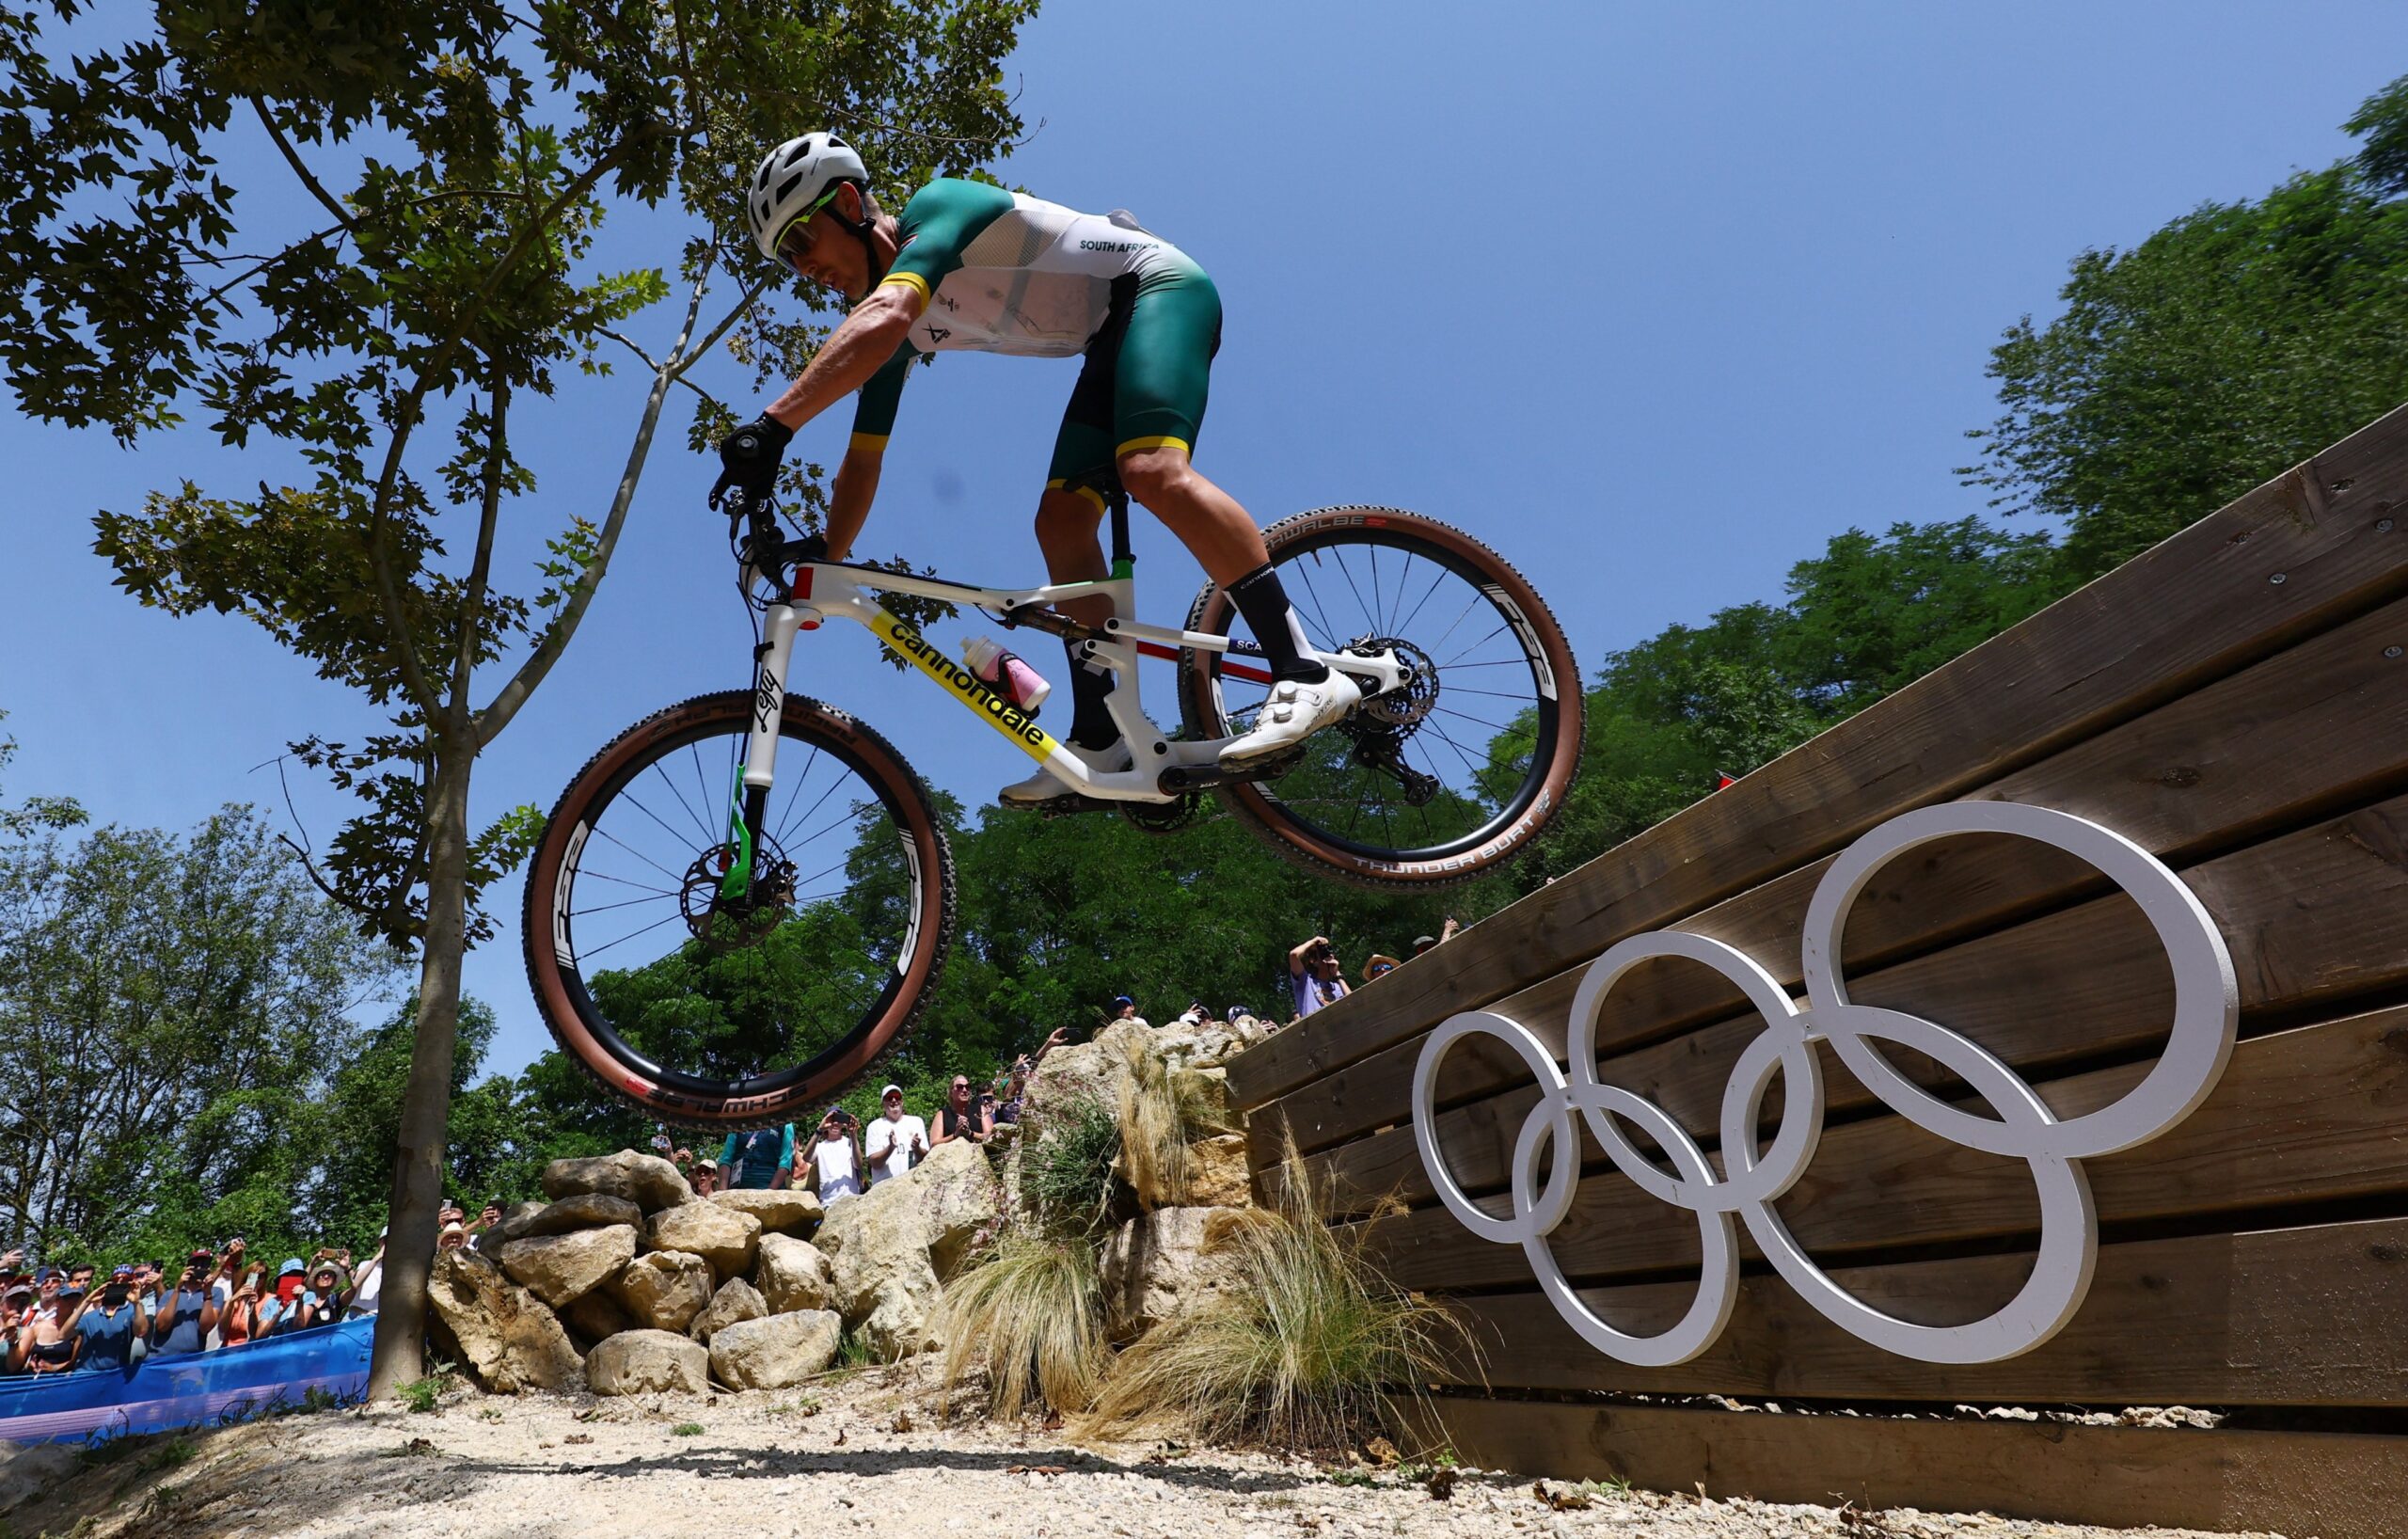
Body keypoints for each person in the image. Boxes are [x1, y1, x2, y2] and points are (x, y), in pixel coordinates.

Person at [718, 135, 1361, 804]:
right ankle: (1102, 734)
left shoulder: (937, 211)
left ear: (848, 201)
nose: (801, 267)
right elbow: (863, 457)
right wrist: (827, 562)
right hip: (1109, 339)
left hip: (1161, 287)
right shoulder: (883, 328)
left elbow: (892, 309)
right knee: (1059, 522)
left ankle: (1305, 668)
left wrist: (771, 429)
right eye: (785, 261)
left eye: (800, 241)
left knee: (1149, 471)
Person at [73, 1266, 149, 1372]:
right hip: (87, 1374)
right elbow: (63, 1335)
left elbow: (141, 1332)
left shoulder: (133, 1311)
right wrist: (87, 1301)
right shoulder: (91, 1315)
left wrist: (137, 1303)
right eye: (115, 1280)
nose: (119, 1283)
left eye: (126, 1280)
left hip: (115, 1375)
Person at [148, 1250, 220, 1358]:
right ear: (186, 1268)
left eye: (204, 1265)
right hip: (159, 1358)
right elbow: (162, 1326)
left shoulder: (215, 1292)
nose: (199, 1268)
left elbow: (205, 1327)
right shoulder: (169, 1294)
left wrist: (207, 1294)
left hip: (190, 1362)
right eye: (195, 1265)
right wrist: (177, 1289)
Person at [863, 1084, 927, 1185]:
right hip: (885, 1189)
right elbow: (874, 1163)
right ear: (883, 1104)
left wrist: (917, 1148)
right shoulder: (874, 1126)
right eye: (889, 1098)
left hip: (912, 1186)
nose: (894, 1100)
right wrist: (890, 1148)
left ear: (902, 1102)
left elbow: (925, 1158)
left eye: (897, 1097)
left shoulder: (916, 1122)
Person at [802, 1110, 864, 1203]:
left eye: (839, 1119)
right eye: (832, 1120)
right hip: (828, 1202)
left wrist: (853, 1135)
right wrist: (819, 1130)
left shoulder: (850, 1142)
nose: (835, 1123)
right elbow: (806, 1158)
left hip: (851, 1199)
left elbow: (859, 1164)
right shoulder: (819, 1146)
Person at [1288, 934, 1350, 1020]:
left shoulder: (1337, 987)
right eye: (1323, 954)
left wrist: (1338, 975)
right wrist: (1313, 941)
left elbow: (1354, 1003)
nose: (1329, 956)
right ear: (1313, 961)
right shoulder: (1306, 982)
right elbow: (1293, 955)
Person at [721, 1122, 798, 1191]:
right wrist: (723, 1191)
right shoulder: (738, 1120)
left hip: (771, 1191)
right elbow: (726, 1159)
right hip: (737, 1192)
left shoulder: (785, 1123)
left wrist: (769, 1193)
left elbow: (785, 1163)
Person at [930, 1074, 991, 1148]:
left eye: (967, 1087)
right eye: (960, 1087)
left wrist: (971, 1134)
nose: (965, 1090)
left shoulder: (980, 1110)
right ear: (951, 1092)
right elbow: (934, 1144)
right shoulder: (942, 1114)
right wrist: (955, 1135)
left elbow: (991, 1137)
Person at [348, 1230, 387, 1320]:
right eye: (385, 1241)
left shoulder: (398, 1271)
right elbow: (355, 1284)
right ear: (380, 1243)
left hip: (378, 1319)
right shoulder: (366, 1264)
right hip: (356, 1315)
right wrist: (377, 1257)